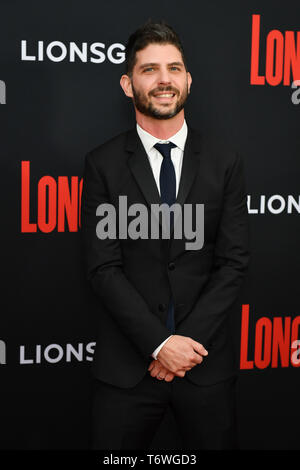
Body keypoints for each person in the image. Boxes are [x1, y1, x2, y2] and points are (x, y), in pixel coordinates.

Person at [80, 20, 250, 450]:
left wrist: (181, 348)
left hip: (204, 366)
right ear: (127, 83)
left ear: (188, 79)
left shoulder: (224, 162)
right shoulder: (103, 165)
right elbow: (104, 267)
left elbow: (233, 262)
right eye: (149, 69)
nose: (164, 81)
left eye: (173, 68)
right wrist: (158, 345)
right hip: (127, 371)